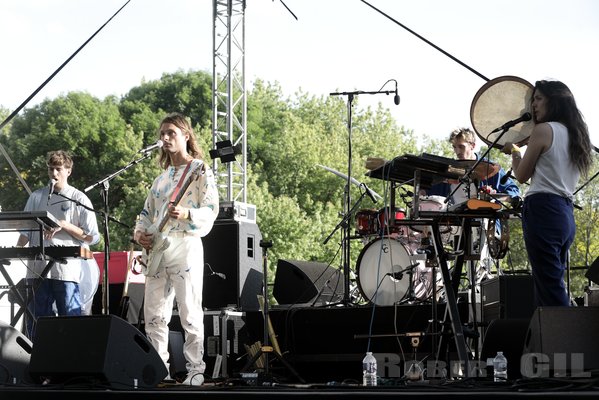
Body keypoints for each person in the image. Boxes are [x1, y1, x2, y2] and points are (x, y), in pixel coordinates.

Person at [133, 112, 219, 386]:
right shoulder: (160, 180)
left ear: (186, 135)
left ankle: (195, 369)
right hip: (157, 250)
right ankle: (160, 370)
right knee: (154, 314)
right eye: (162, 134)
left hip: (185, 245)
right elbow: (146, 213)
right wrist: (139, 233)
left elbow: (211, 208)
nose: (165, 138)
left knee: (189, 310)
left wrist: (187, 214)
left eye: (171, 132)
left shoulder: (199, 170)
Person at [501, 80, 593, 307]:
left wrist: (514, 151)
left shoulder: (543, 130)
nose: (533, 105)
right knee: (553, 284)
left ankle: (562, 339)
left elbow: (522, 176)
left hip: (543, 209)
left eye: (539, 98)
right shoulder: (576, 135)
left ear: (555, 101)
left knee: (550, 289)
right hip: (564, 213)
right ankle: (553, 337)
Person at [16, 150, 100, 339]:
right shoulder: (37, 197)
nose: (54, 174)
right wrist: (16, 250)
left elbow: (93, 237)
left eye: (58, 169)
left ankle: (73, 360)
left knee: (69, 317)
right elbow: (24, 231)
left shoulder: (78, 198)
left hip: (66, 269)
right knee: (36, 318)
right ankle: (34, 359)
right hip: (37, 268)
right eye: (51, 169)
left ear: (68, 171)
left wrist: (64, 225)